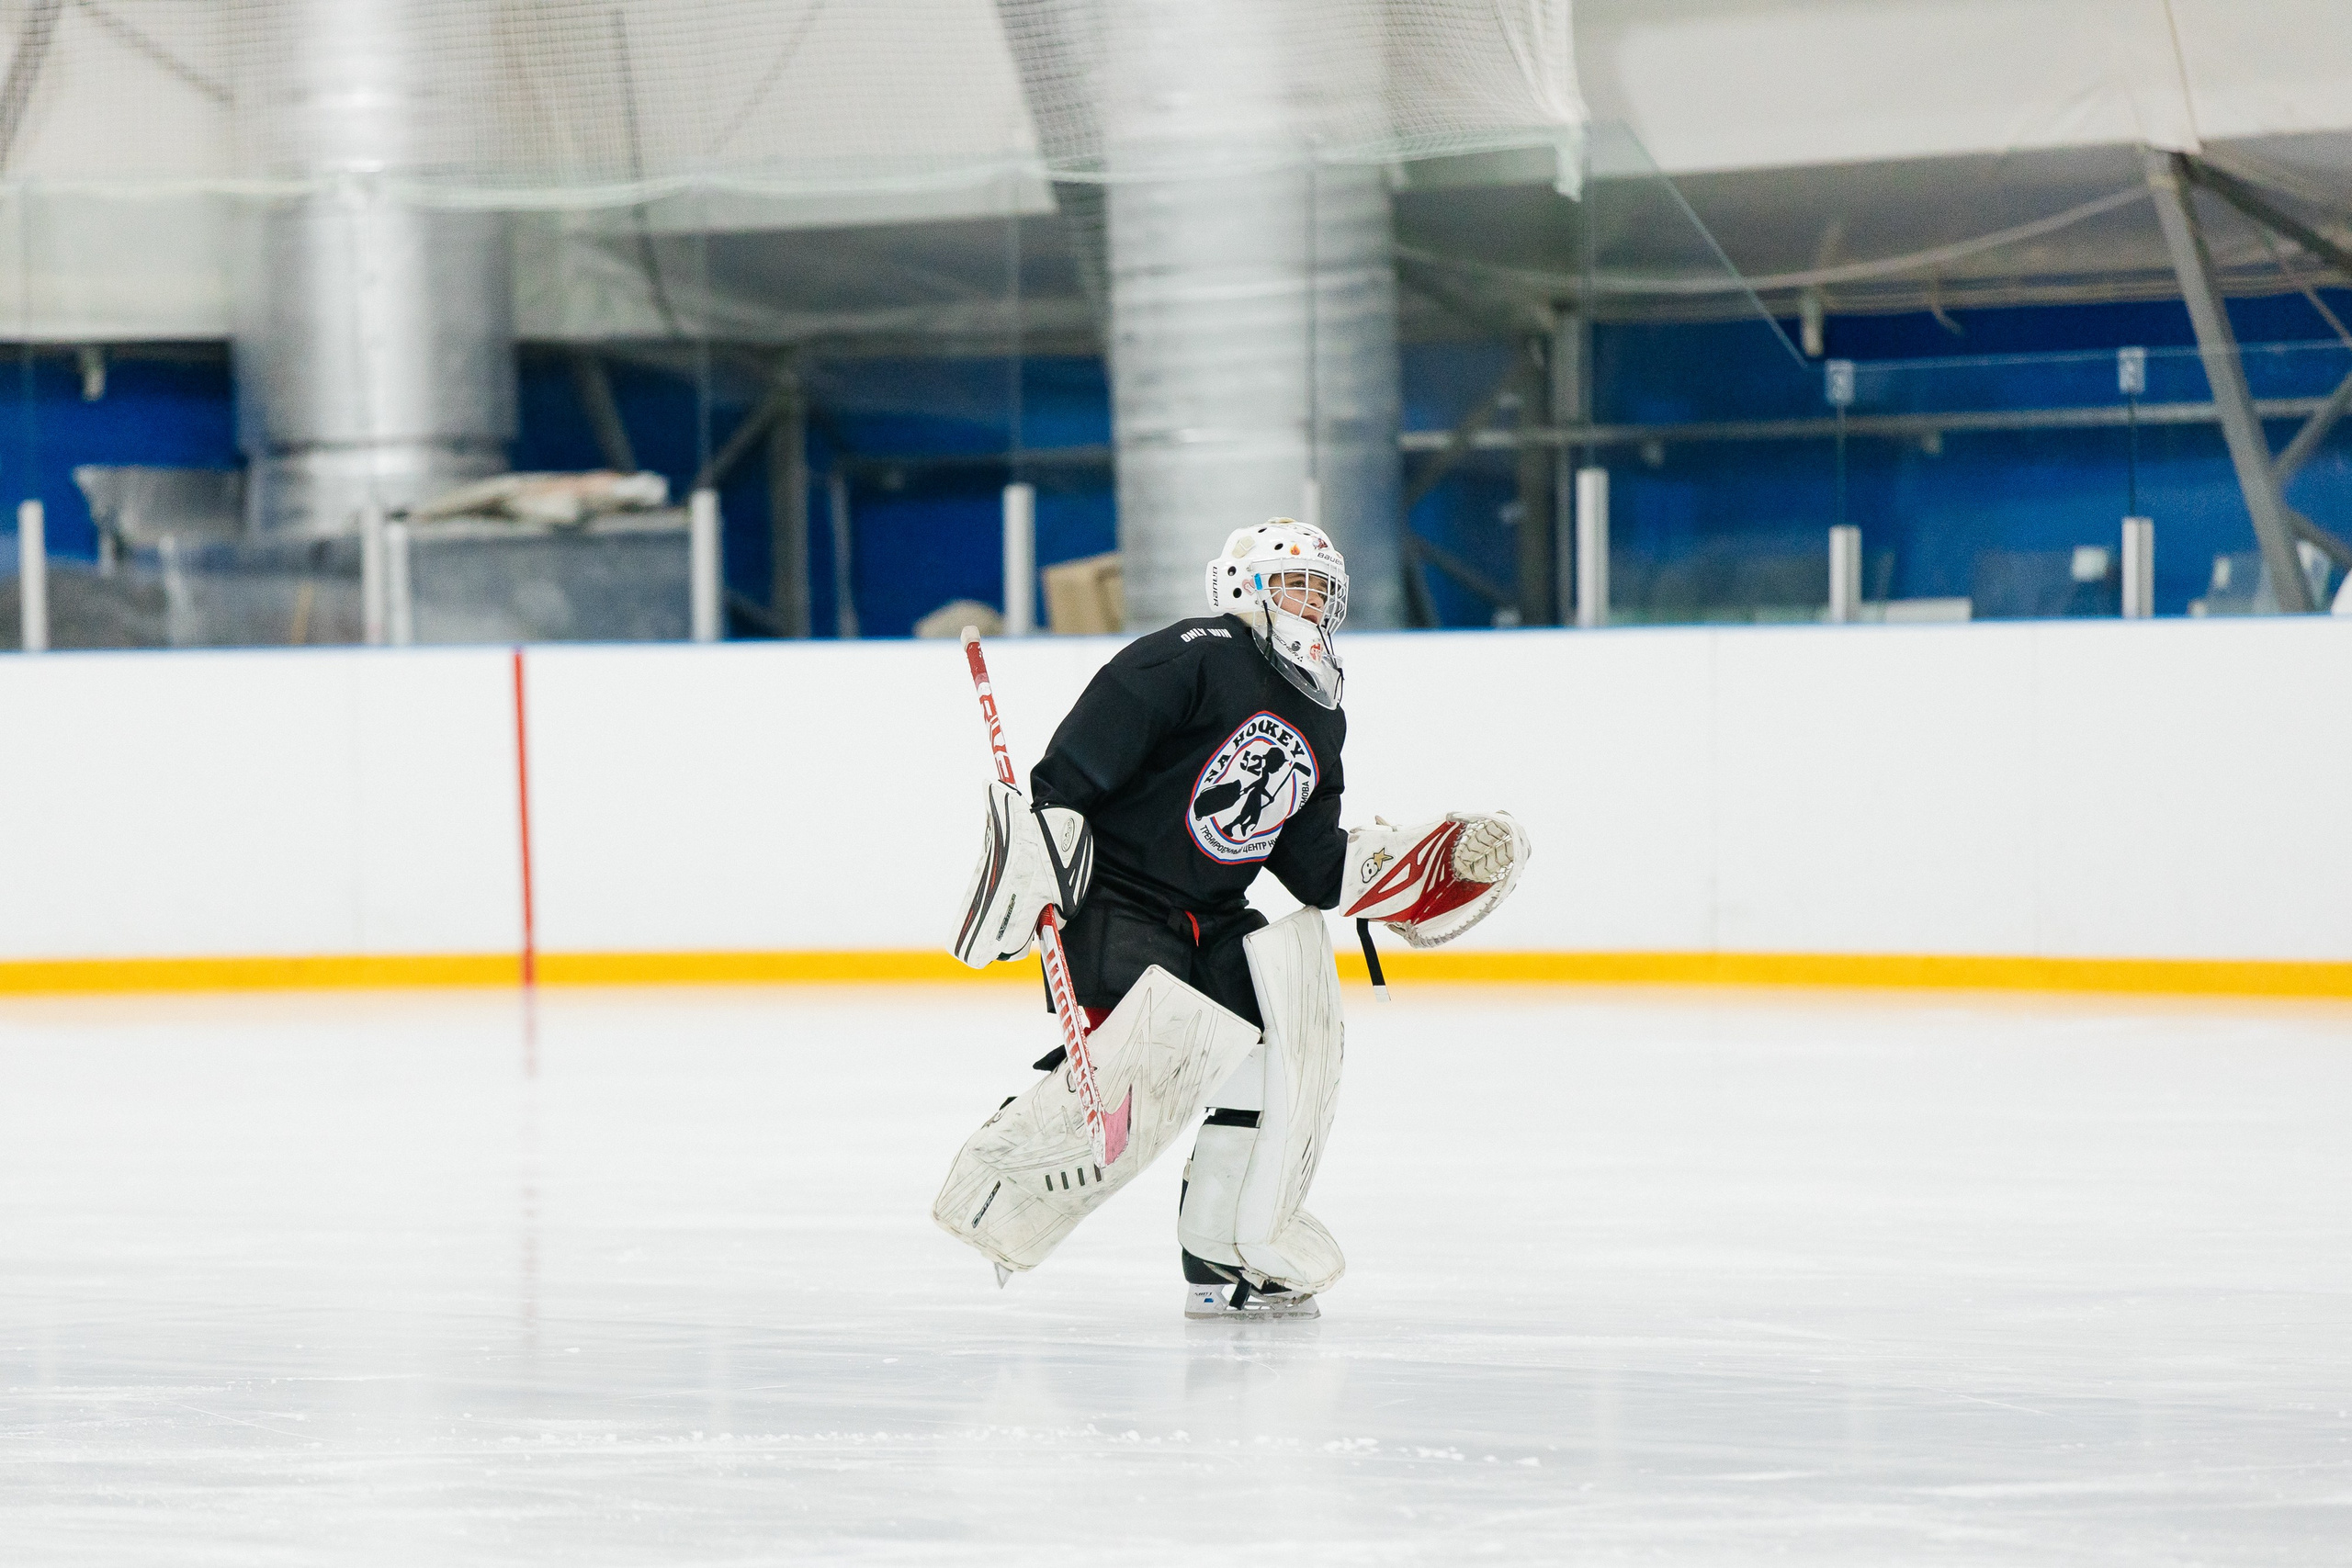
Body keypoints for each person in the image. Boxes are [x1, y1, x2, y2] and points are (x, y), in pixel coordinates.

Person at [938, 518, 1530, 1320]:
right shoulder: (1192, 653)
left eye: (1323, 588)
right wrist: (1037, 848)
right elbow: (1069, 775)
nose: (1311, 602)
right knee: (1151, 1057)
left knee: (1280, 1058)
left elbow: (1310, 862)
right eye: (1294, 583)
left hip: (1213, 914)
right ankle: (1008, 1166)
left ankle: (1224, 1254)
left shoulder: (1323, 713)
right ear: (1243, 588)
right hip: (1119, 900)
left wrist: (1397, 869)